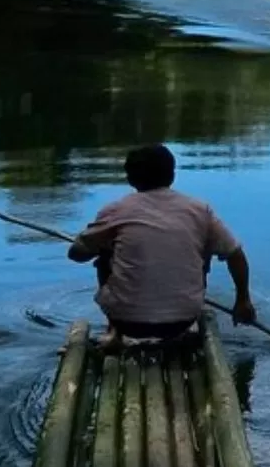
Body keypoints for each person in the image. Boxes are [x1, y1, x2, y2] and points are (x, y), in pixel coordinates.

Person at [67, 144, 255, 341]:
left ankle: (114, 333)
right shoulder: (199, 210)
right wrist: (243, 300)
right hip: (183, 319)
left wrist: (99, 245)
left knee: (105, 256)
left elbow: (76, 254)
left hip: (126, 321)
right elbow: (235, 254)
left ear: (130, 178)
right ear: (172, 175)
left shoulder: (115, 211)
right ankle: (184, 325)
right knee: (203, 247)